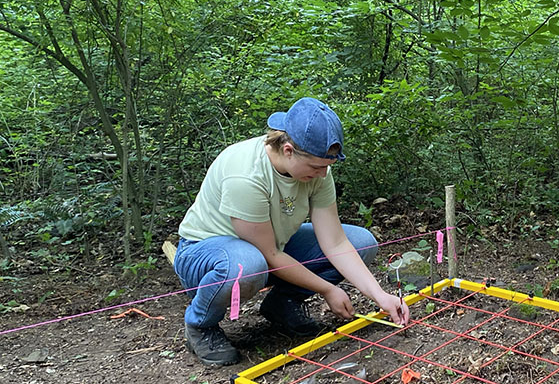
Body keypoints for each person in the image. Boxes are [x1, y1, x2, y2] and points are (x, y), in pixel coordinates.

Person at [172, 97, 409, 366]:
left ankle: (281, 305)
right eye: (317, 167)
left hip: (270, 247)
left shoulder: (318, 169)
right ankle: (200, 325)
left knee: (361, 242)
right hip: (206, 254)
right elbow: (269, 254)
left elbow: (336, 242)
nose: (323, 175)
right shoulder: (246, 176)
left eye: (327, 167)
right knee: (247, 264)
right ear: (287, 150)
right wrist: (327, 290)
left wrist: (380, 296)